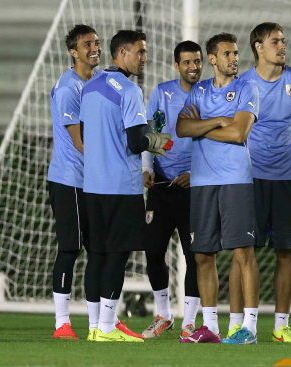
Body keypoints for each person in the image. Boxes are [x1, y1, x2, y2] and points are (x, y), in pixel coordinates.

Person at [80, 29, 171, 342]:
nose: (144, 58)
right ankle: (106, 328)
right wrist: (168, 142)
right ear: (122, 53)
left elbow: (85, 133)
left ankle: (95, 326)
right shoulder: (129, 91)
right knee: (117, 256)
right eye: (140, 52)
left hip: (91, 185)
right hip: (120, 186)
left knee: (97, 256)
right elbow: (136, 142)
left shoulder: (89, 87)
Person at [232, 22, 291, 344]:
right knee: (243, 251)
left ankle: (281, 326)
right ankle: (237, 324)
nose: (282, 46)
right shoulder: (242, 83)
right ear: (258, 47)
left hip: (288, 181)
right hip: (248, 179)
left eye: (283, 41)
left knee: (287, 251)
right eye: (275, 41)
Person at [176, 32, 260, 345]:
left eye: (236, 53)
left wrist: (204, 126)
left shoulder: (247, 87)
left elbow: (239, 133)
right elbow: (183, 128)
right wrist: (218, 121)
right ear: (212, 59)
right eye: (227, 54)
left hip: (236, 179)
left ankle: (248, 328)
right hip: (202, 183)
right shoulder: (198, 90)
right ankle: (209, 327)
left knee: (243, 253)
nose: (234, 59)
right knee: (202, 255)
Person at [141, 40, 203, 340]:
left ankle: (189, 321)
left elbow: (218, 141)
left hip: (196, 188)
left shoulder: (210, 94)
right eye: (187, 62)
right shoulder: (162, 92)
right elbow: (154, 131)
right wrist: (149, 167)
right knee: (152, 250)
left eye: (198, 61)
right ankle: (163, 314)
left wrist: (197, 173)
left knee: (195, 256)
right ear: (177, 65)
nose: (193, 67)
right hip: (163, 186)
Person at [47, 24, 101, 339]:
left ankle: (99, 323)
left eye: (96, 42)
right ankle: (62, 323)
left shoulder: (98, 84)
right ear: (73, 51)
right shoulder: (69, 88)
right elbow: (80, 142)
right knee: (70, 249)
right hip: (70, 180)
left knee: (100, 250)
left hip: (94, 181)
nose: (94, 48)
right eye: (86, 44)